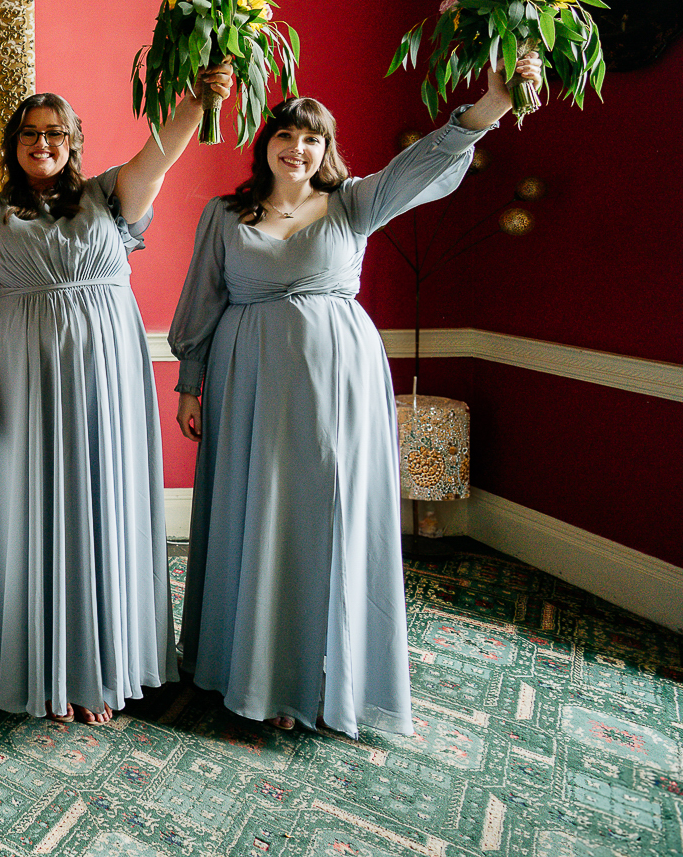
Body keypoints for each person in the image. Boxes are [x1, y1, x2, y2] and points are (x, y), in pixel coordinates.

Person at [170, 54, 539, 737]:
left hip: (336, 384)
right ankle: (245, 669)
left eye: (313, 138)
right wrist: (190, 384)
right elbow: (201, 300)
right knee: (255, 512)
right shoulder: (224, 214)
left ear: (325, 149)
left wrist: (487, 109)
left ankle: (316, 676)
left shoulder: (354, 203)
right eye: (287, 135)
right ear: (267, 144)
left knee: (324, 517)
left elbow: (420, 168)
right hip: (245, 380)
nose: (299, 148)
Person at [0, 72, 231, 724]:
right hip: (22, 381)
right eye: (30, 133)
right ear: (13, 143)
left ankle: (99, 663)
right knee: (32, 509)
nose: (42, 143)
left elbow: (165, 148)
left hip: (107, 383)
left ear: (74, 141)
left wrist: (201, 98)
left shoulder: (110, 194)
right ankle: (37, 664)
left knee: (101, 504)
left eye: (56, 133)